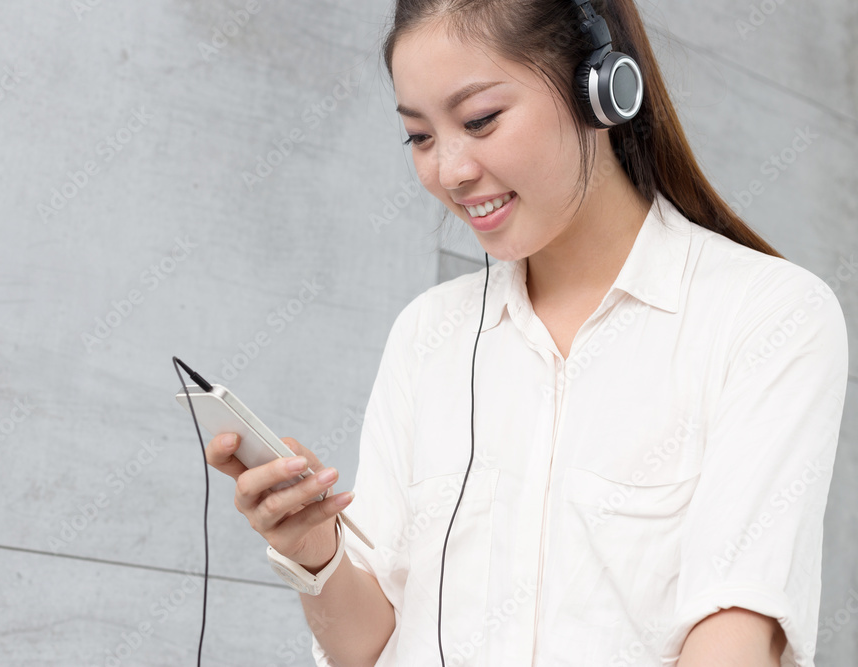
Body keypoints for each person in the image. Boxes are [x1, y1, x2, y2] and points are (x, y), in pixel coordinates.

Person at [205, 1, 849, 665]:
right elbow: (368, 647)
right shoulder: (428, 333)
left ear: (598, 90)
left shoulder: (769, 315)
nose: (449, 170)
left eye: (480, 120)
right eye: (420, 137)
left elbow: (736, 634)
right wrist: (313, 546)